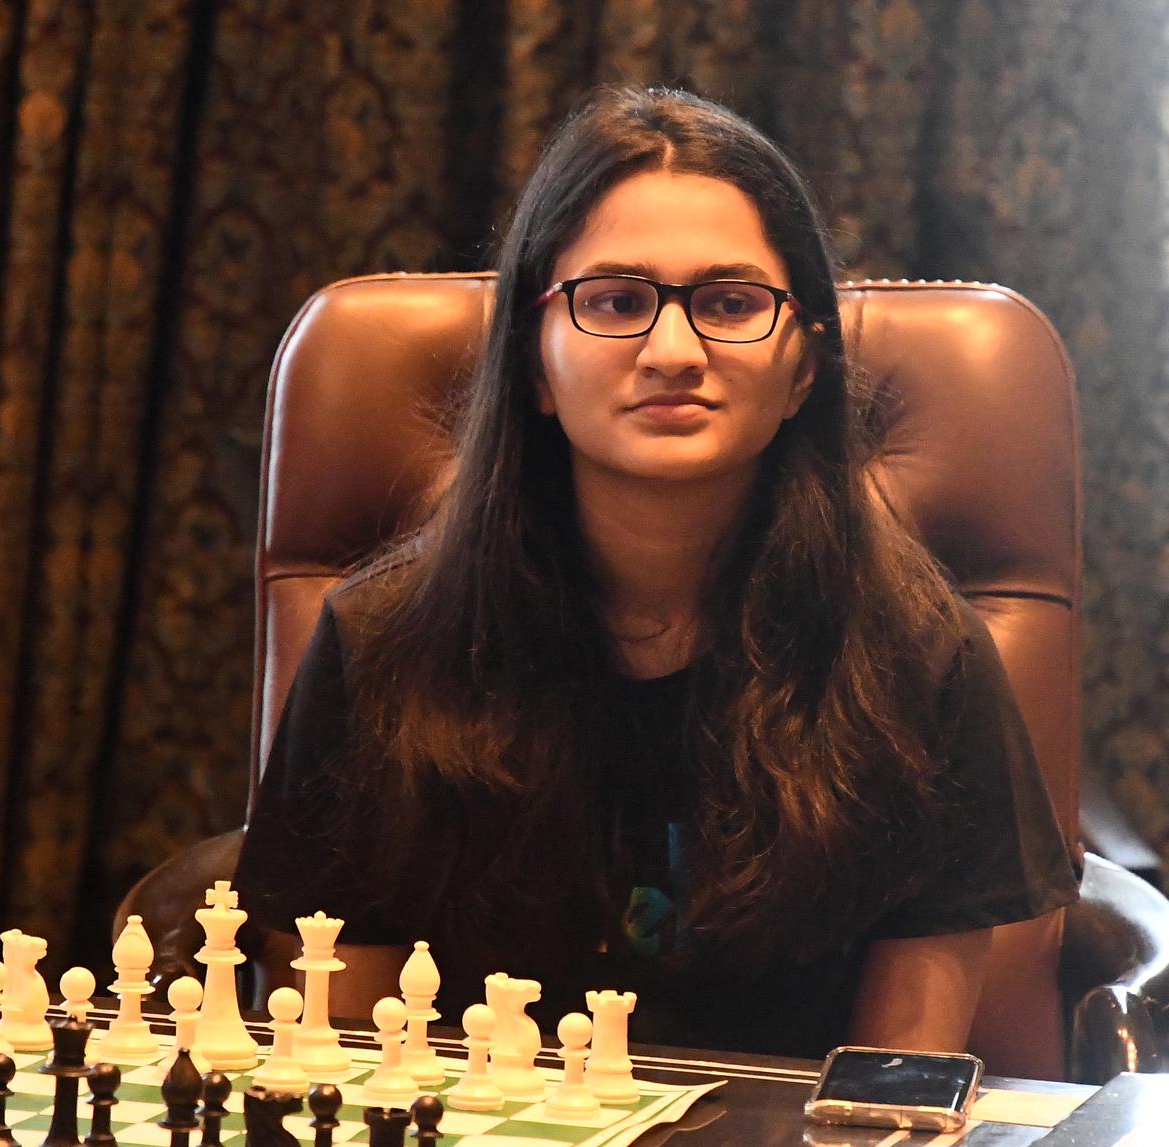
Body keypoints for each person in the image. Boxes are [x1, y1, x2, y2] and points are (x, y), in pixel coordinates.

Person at [233, 85, 1078, 1059]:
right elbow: (345, 1074)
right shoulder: (384, 640)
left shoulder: (919, 655)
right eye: (618, 301)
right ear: (534, 364)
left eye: (730, 303)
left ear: (805, 367)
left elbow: (892, 1096)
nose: (674, 352)